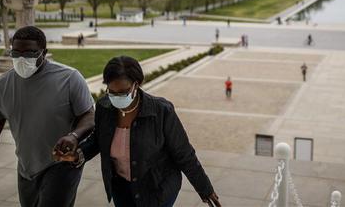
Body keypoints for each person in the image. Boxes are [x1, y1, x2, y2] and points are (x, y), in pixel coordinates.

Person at [55, 56, 221, 207]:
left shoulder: (162, 111)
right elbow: (98, 140)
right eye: (111, 92)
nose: (116, 97)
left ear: (137, 84)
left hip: (157, 188)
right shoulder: (104, 107)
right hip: (121, 188)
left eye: (123, 92)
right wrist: (78, 155)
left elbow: (184, 154)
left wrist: (204, 189)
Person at [0, 26, 95, 206]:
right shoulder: (3, 84)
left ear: (44, 52)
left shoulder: (69, 78)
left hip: (61, 164)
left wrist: (73, 136)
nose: (21, 59)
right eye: (16, 53)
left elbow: (89, 115)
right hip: (26, 168)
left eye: (29, 53)